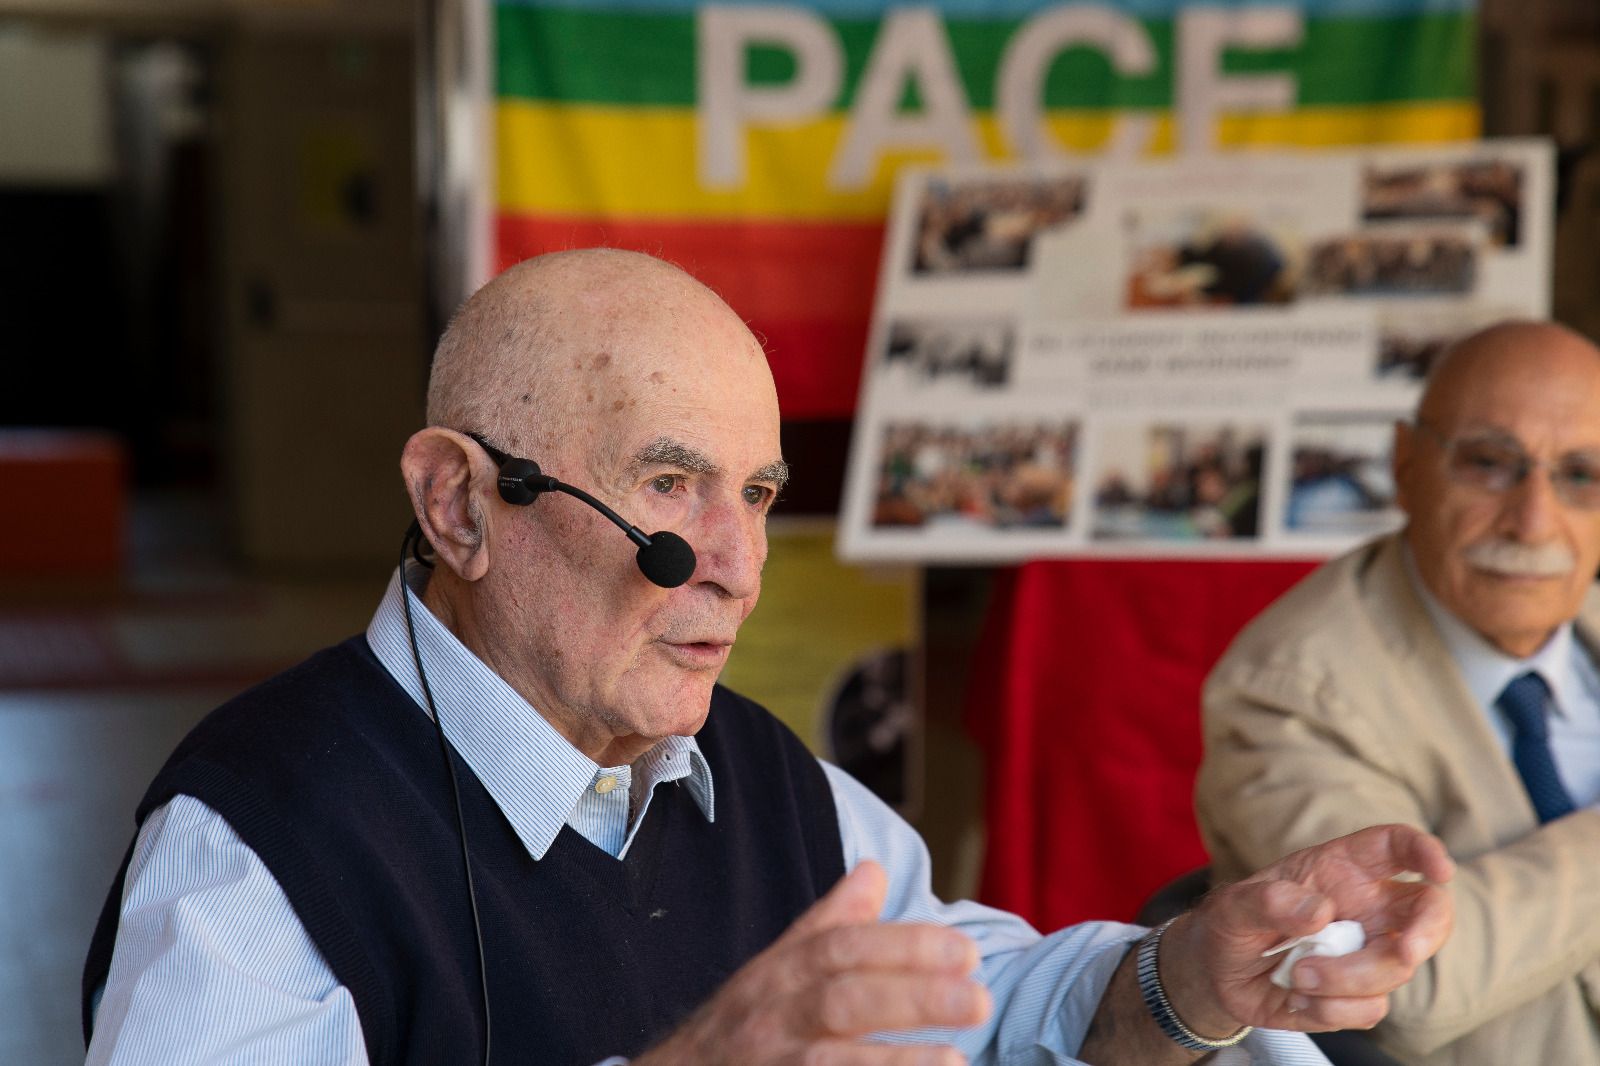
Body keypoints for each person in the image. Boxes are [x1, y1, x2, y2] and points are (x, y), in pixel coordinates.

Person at [85, 249, 1452, 1065]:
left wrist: (1183, 979)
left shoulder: (757, 774)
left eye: (754, 494)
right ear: (458, 506)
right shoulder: (260, 846)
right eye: (667, 486)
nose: (736, 564)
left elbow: (975, 1006)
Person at [1197, 319, 1600, 1066]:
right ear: (1406, 465)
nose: (1534, 521)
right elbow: (1405, 977)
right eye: (1490, 464)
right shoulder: (1289, 689)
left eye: (1582, 475)